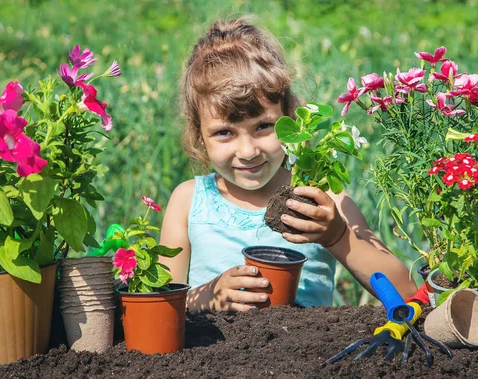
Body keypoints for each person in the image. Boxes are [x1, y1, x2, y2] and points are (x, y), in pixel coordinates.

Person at [159, 17, 417, 312]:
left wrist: (338, 236)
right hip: (210, 356)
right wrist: (206, 297)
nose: (247, 151)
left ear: (292, 119)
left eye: (264, 127)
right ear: (199, 134)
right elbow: (160, 306)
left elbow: (407, 291)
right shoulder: (189, 201)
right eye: (224, 132)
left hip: (306, 355)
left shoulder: (321, 199)